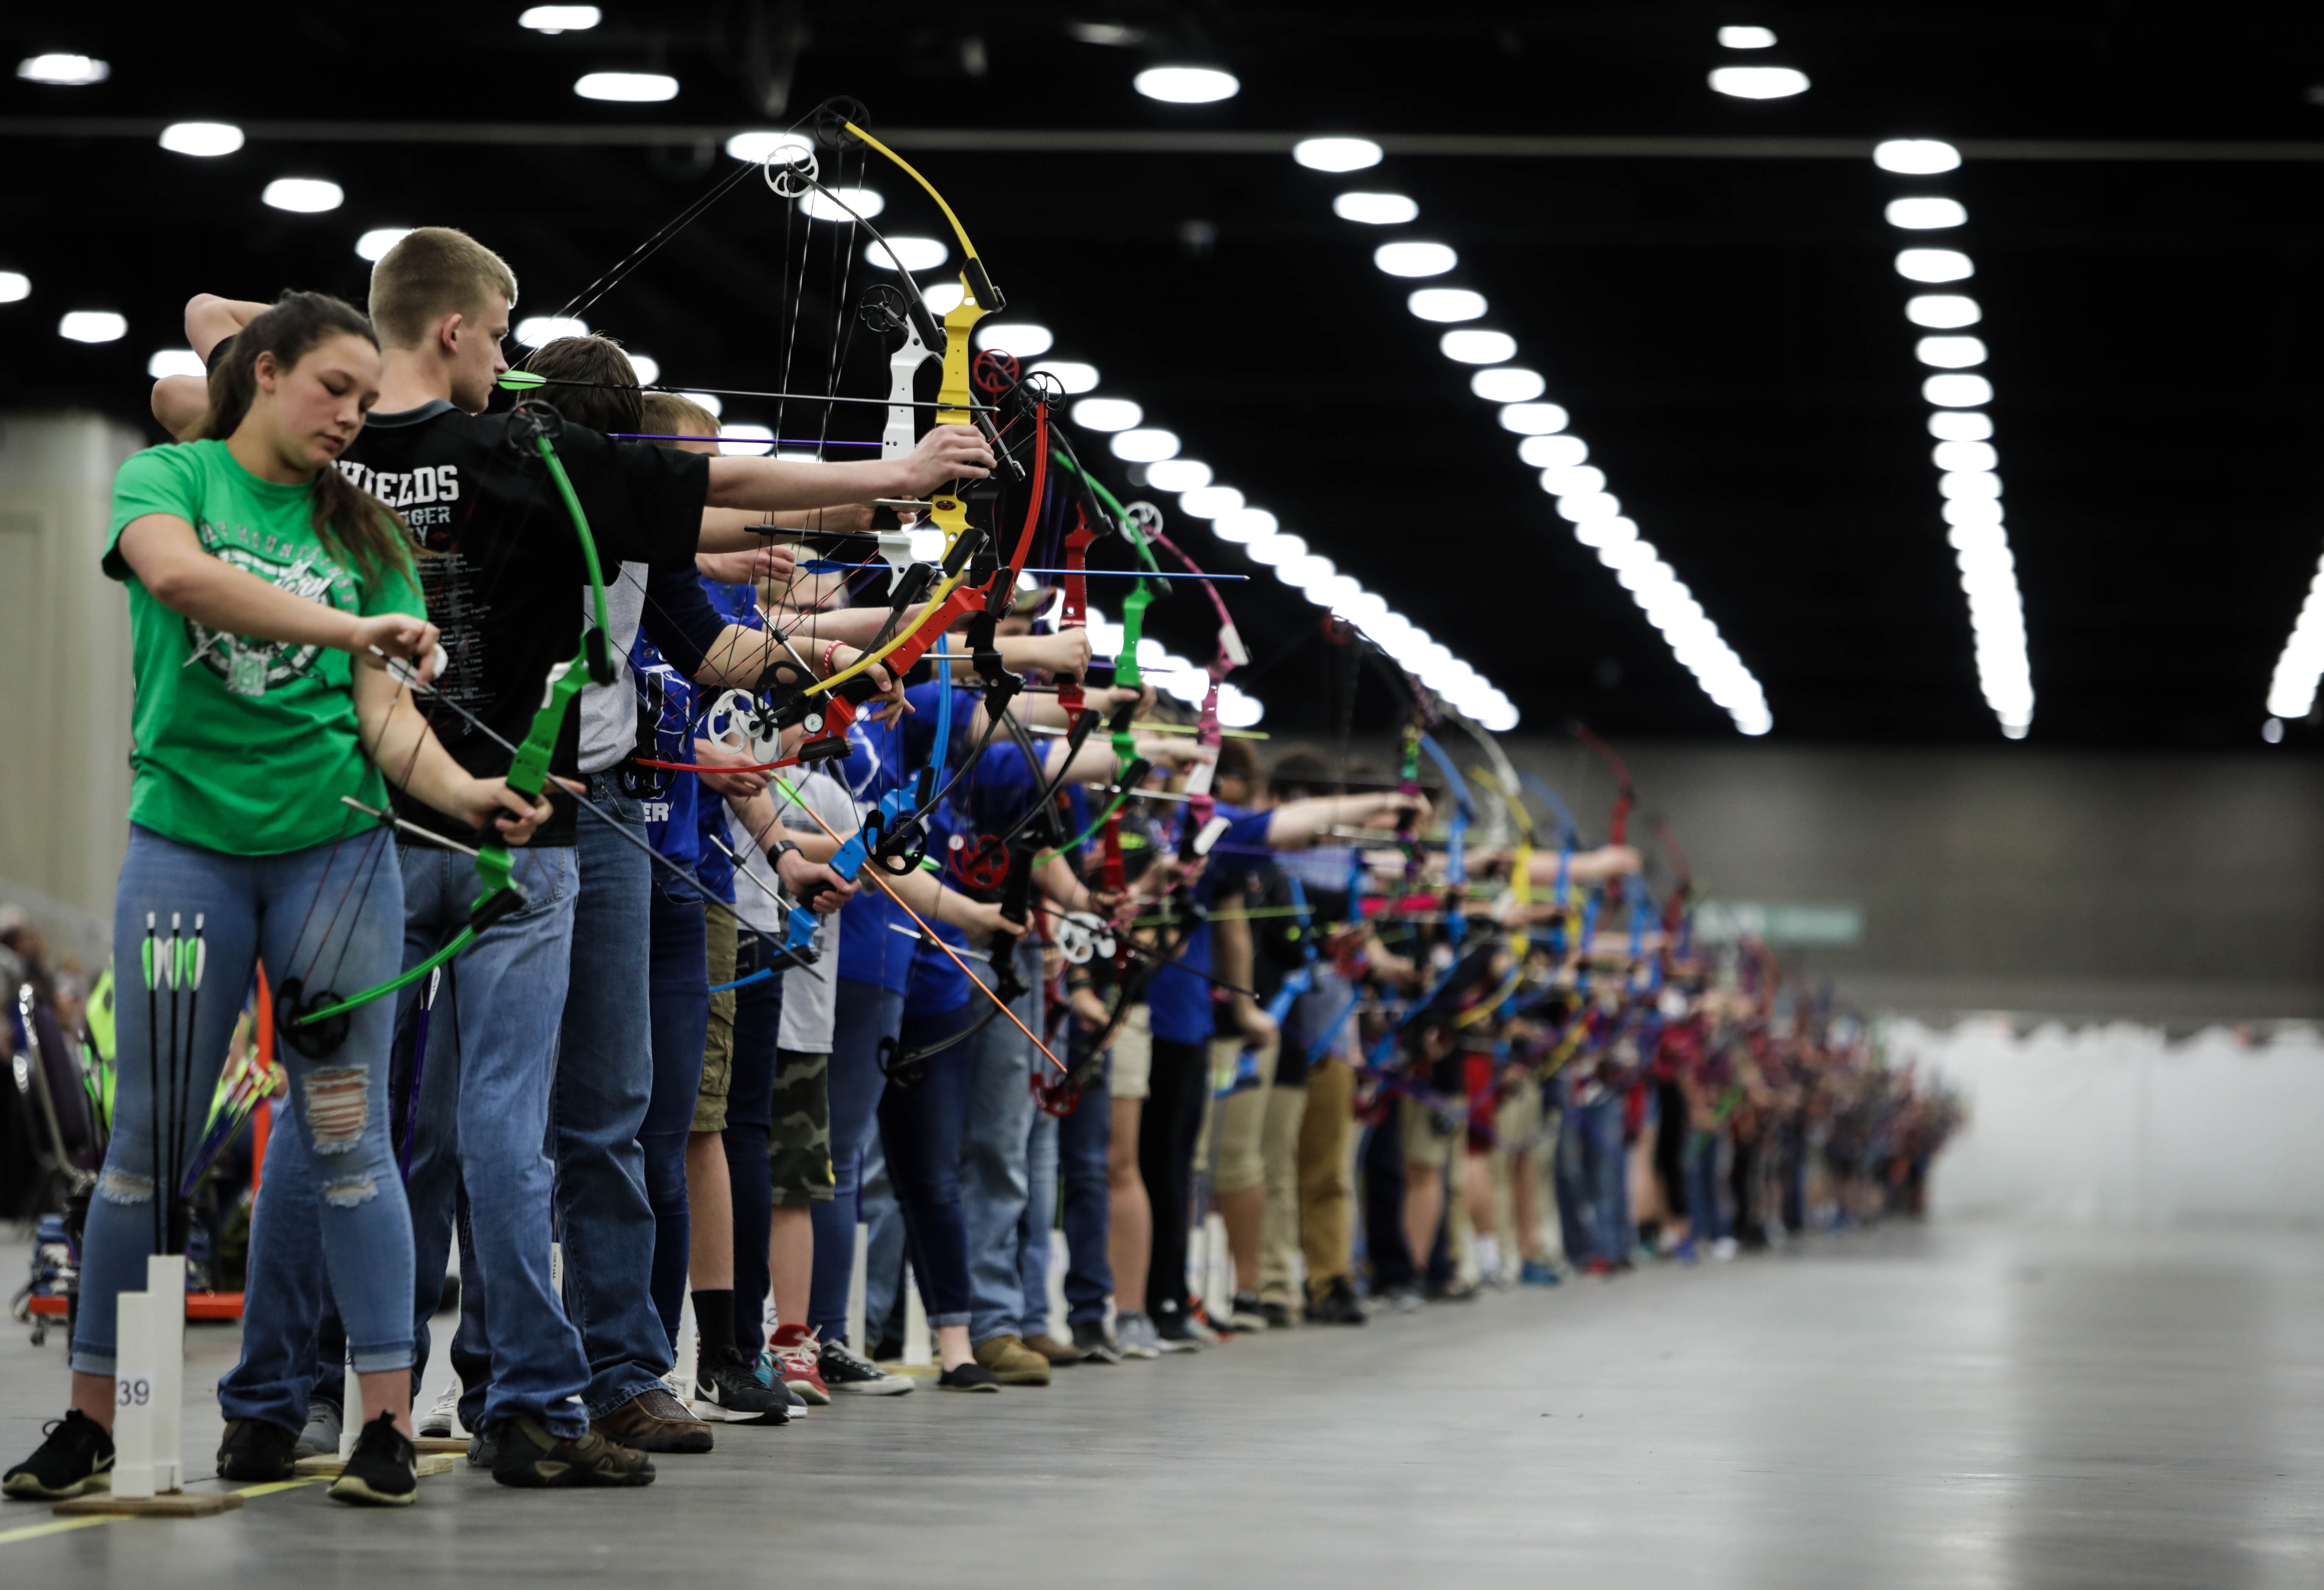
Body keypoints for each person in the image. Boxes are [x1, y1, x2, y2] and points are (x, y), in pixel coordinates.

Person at [163, 228, 982, 1488]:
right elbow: (726, 491)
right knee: (502, 1124)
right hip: (510, 827)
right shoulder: (518, 453)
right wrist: (905, 466)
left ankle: (271, 1404)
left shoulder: (304, 446)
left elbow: (209, 319)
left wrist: (338, 351)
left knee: (329, 1118)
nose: (509, 358)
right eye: (498, 333)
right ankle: (530, 1405)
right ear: (455, 332)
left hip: (349, 823)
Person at [4, 291, 551, 1509]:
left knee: (351, 1142)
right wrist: (355, 625)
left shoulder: (369, 539)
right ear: (261, 373)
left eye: (366, 399)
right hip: (185, 854)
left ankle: (386, 1427)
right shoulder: (173, 481)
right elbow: (183, 585)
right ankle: (94, 1420)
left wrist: (472, 797)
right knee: (144, 1155)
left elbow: (387, 725)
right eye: (333, 390)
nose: (354, 416)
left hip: (332, 864)